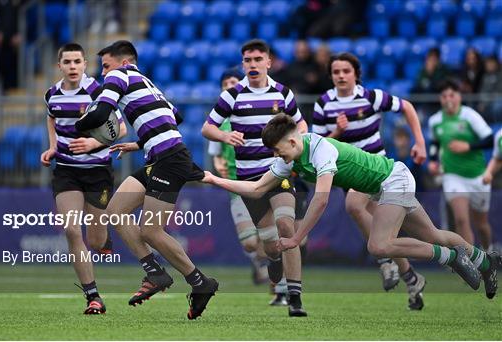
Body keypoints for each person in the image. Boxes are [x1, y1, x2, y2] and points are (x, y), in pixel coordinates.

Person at [203, 113, 500, 300]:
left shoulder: (321, 150)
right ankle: (486, 262)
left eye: (280, 150)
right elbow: (256, 187)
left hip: (392, 180)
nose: (280, 157)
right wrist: (215, 180)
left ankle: (449, 257)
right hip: (382, 184)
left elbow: (321, 200)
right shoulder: (288, 157)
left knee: (380, 245)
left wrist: (295, 237)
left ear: (293, 140)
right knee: (433, 234)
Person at [74, 40, 218, 320]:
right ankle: (155, 273)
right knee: (115, 212)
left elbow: (102, 113)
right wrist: (140, 143)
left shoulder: (120, 75)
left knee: (151, 231)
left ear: (124, 62)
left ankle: (201, 283)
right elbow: (175, 116)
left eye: (106, 66)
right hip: (161, 156)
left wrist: (79, 124)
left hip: (170, 159)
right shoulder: (147, 81)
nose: (104, 73)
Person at [201, 39, 309, 316]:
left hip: (279, 174)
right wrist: (225, 135)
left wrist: (296, 143)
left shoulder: (283, 93)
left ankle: (294, 297)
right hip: (249, 182)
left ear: (268, 63)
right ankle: (274, 262)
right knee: (270, 245)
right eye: (247, 60)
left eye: (258, 59)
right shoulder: (232, 96)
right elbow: (207, 128)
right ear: (243, 64)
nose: (252, 65)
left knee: (288, 228)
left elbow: (301, 124)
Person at [312, 52, 427, 309]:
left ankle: (385, 263)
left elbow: (406, 106)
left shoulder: (370, 96)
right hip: (346, 171)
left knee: (354, 206)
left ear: (356, 74)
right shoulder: (324, 104)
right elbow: (317, 144)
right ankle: (411, 278)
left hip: (377, 168)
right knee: (383, 236)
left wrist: (419, 142)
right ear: (331, 75)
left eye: (346, 71)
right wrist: (337, 132)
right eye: (336, 72)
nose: (341, 76)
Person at [41, 43, 127, 314]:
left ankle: (104, 241)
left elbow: (121, 128)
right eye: (67, 62)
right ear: (60, 66)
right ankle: (93, 296)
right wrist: (53, 146)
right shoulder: (52, 94)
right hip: (66, 170)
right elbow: (51, 119)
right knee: (71, 229)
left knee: (96, 241)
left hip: (98, 172)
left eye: (77, 61)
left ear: (85, 64)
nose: (73, 66)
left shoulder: (98, 92)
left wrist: (92, 144)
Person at [207, 68, 271, 287]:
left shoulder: (254, 113)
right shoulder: (220, 121)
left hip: (263, 181)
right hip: (237, 186)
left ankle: (269, 270)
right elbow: (215, 155)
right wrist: (219, 165)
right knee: (250, 242)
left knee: (266, 236)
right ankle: (257, 260)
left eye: (232, 82)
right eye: (224, 84)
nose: (228, 87)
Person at [428, 79, 494, 252]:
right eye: (444, 96)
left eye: (452, 95)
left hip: (477, 175)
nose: (448, 99)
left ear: (459, 97)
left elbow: (489, 139)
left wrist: (468, 146)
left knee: (481, 225)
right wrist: (433, 161)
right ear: (440, 99)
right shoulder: (435, 120)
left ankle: (488, 251)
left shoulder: (469, 115)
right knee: (461, 220)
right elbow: (435, 143)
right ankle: (472, 263)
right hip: (452, 175)